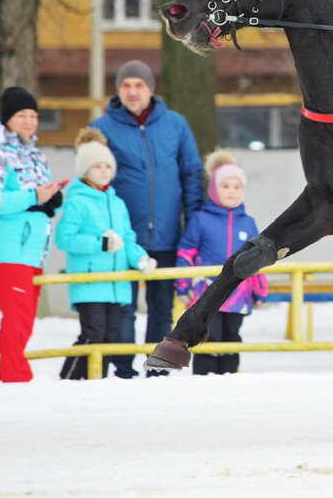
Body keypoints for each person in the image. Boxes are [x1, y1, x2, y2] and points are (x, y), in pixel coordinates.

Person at [91, 59, 203, 377]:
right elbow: (94, 181)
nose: (132, 91)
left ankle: (158, 368)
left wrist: (192, 224)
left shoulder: (176, 124)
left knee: (162, 306)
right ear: (118, 91)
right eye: (126, 85)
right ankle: (123, 369)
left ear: (150, 89)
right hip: (125, 237)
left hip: (168, 235)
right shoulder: (102, 129)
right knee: (123, 307)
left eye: (139, 84)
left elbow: (192, 174)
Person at [0, 87, 65, 383]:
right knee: (19, 321)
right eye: (21, 115)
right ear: (7, 119)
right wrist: (33, 196)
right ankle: (16, 380)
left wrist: (49, 200)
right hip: (10, 249)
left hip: (34, 251)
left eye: (34, 115)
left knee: (18, 323)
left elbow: (34, 197)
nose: (29, 121)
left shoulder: (36, 155)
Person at [55, 128, 156, 380]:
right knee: (93, 333)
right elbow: (64, 239)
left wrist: (140, 258)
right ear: (85, 170)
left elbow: (128, 239)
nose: (103, 171)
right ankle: (69, 380)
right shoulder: (77, 201)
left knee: (111, 335)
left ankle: (95, 381)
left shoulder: (117, 203)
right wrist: (99, 243)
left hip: (116, 283)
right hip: (90, 281)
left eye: (107, 166)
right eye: (96, 166)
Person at [175, 151, 269, 374]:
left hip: (238, 293)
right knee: (209, 335)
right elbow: (186, 253)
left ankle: (229, 377)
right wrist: (183, 285)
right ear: (214, 189)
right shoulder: (201, 219)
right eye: (225, 186)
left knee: (232, 335)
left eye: (237, 187)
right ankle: (204, 378)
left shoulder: (248, 223)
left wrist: (260, 290)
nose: (231, 191)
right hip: (207, 292)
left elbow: (259, 258)